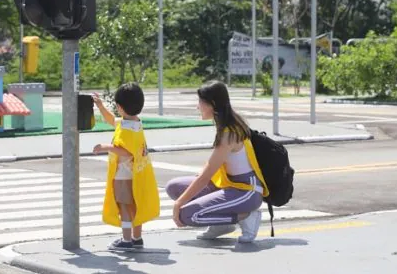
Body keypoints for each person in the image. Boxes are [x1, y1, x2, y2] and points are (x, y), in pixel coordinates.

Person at [165, 81, 269, 243]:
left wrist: (178, 204)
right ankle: (220, 224)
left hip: (246, 191)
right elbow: (208, 169)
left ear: (212, 104)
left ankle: (246, 216)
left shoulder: (229, 134)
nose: (197, 106)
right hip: (228, 185)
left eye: (200, 102)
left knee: (188, 215)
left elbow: (205, 178)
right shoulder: (228, 126)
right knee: (173, 187)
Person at [93, 83, 160, 251]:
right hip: (138, 174)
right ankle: (137, 238)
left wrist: (105, 147)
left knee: (123, 206)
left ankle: (126, 239)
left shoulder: (125, 129)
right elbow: (112, 121)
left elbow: (126, 152)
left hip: (124, 175)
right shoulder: (135, 123)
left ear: (120, 107)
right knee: (135, 206)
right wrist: (100, 106)